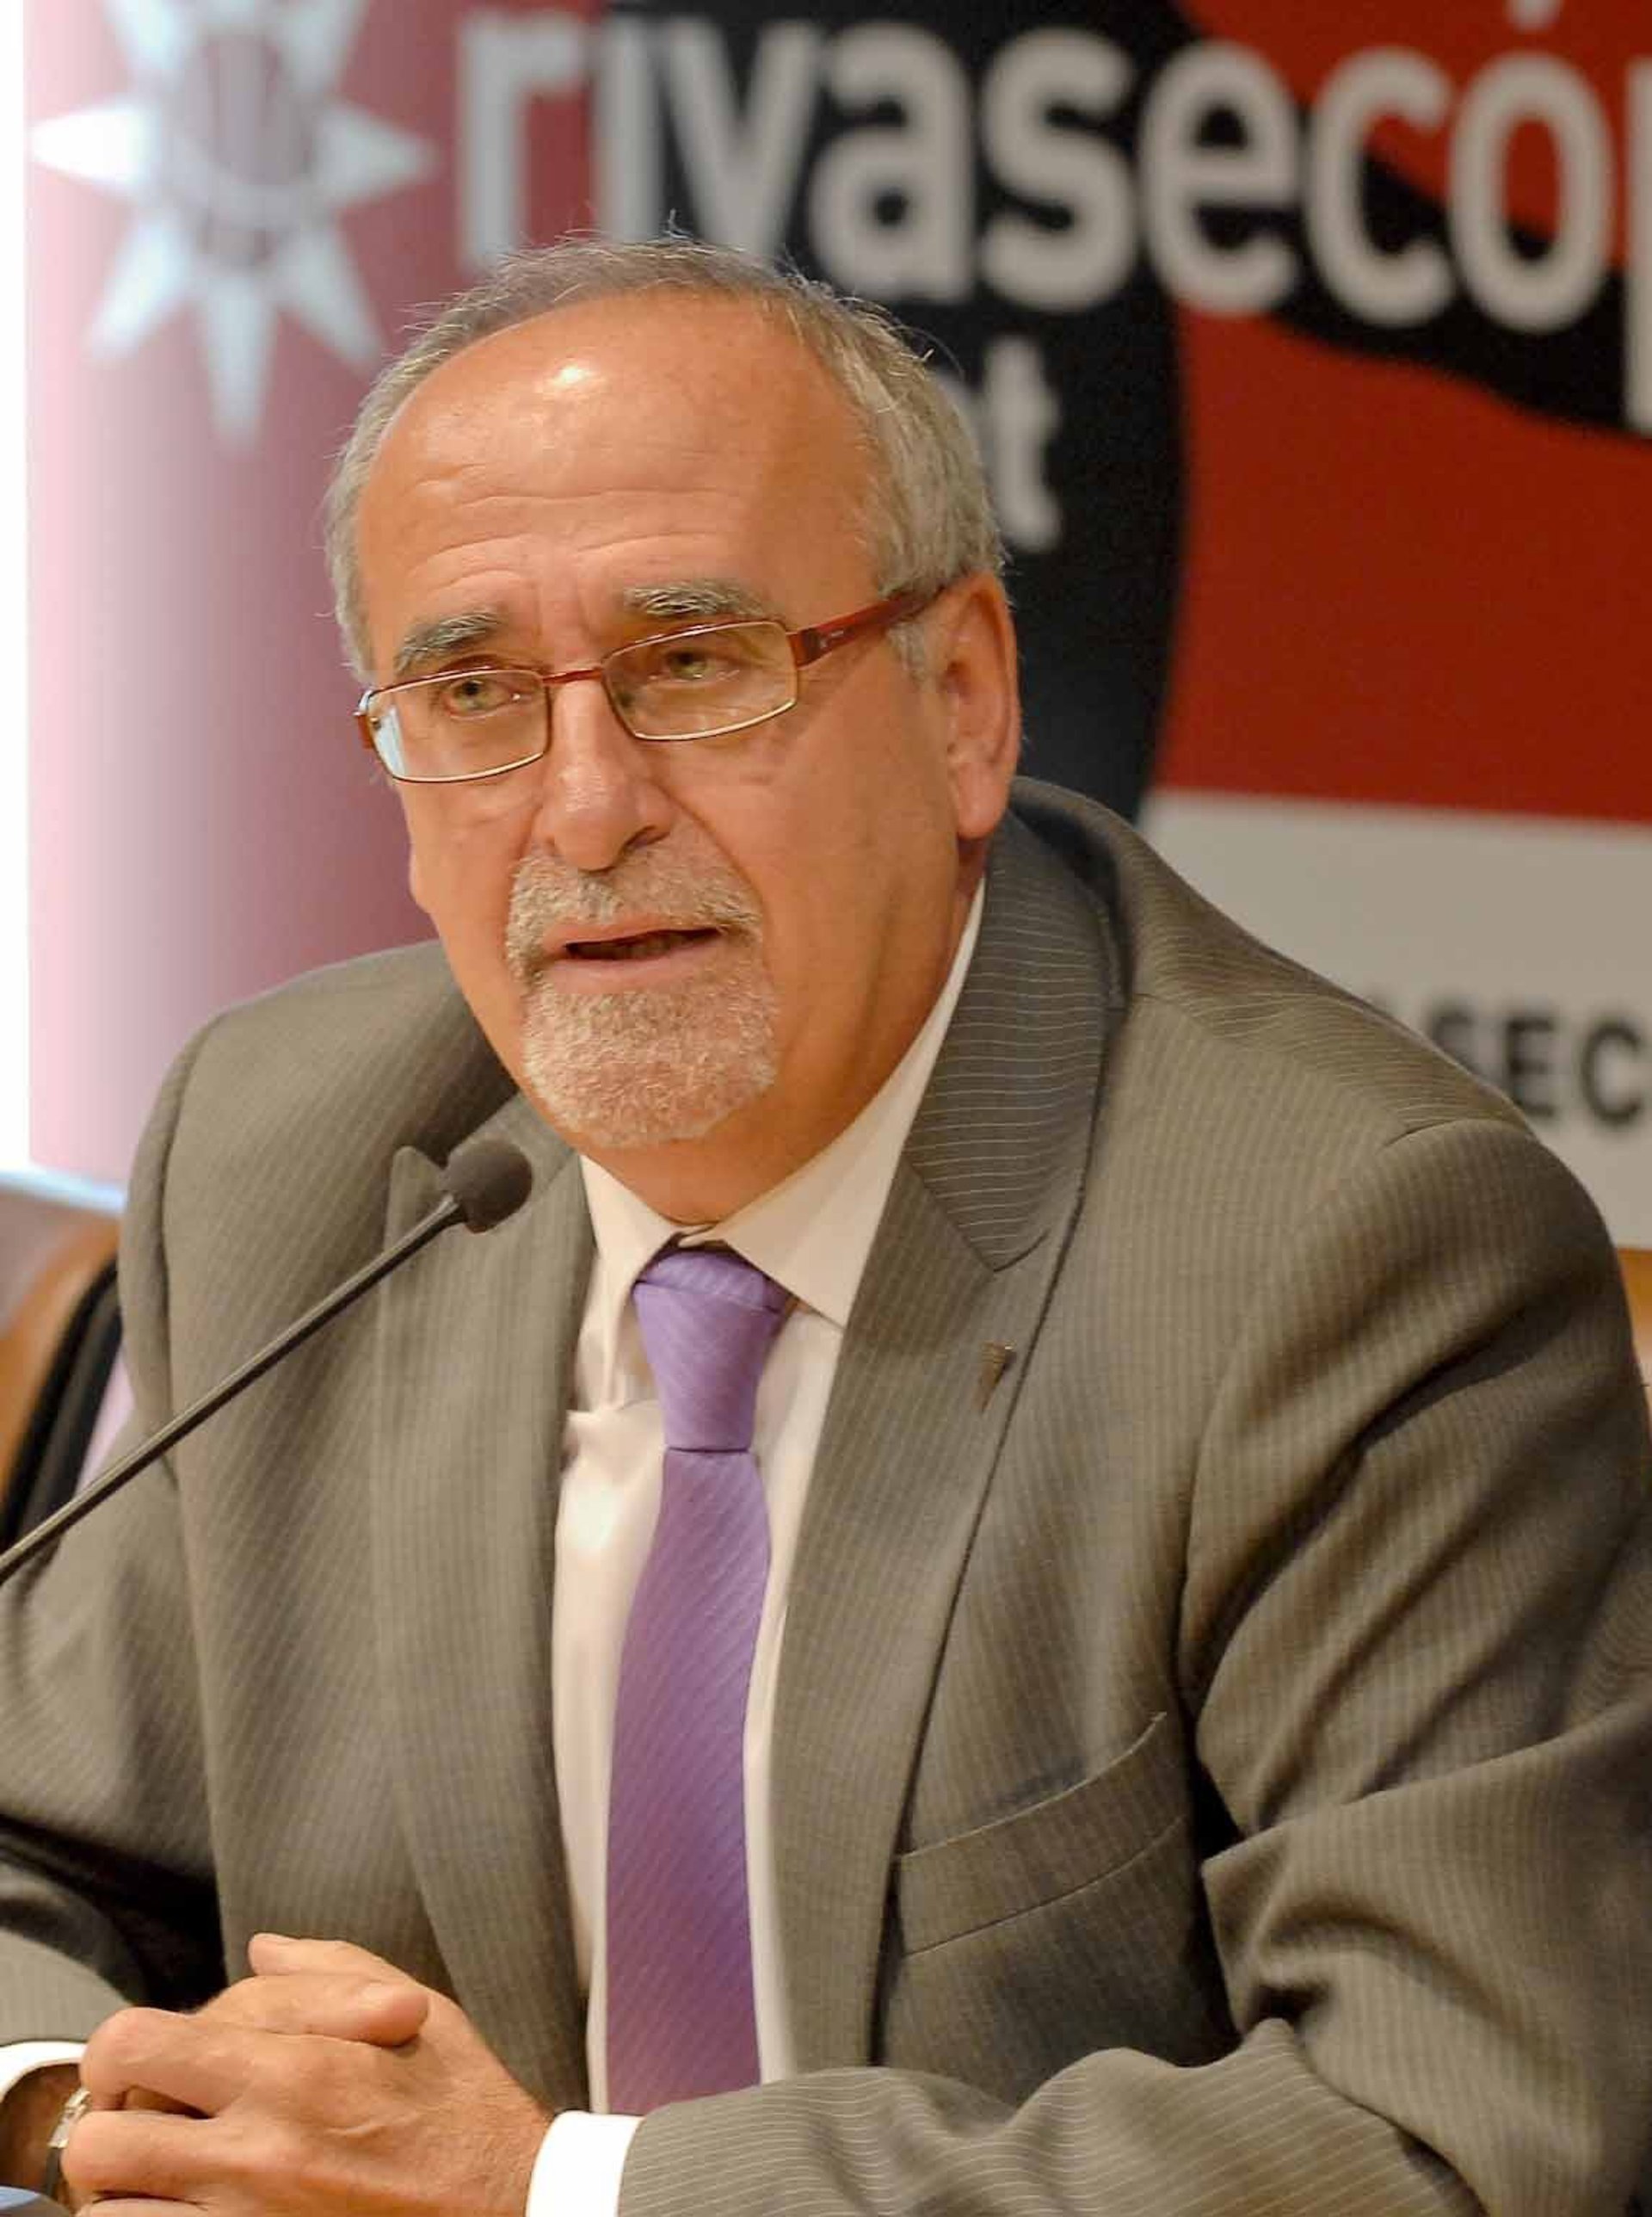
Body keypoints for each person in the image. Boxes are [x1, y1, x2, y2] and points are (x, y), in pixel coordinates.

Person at [1, 236, 1649, 2216]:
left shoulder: (1344, 1253)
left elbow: (1453, 2141)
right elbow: (34, 1849)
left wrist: (562, 2195)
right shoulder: (298, 1155)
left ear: (965, 704)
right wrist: (97, 2115)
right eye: (473, 693)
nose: (585, 808)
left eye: (695, 665)